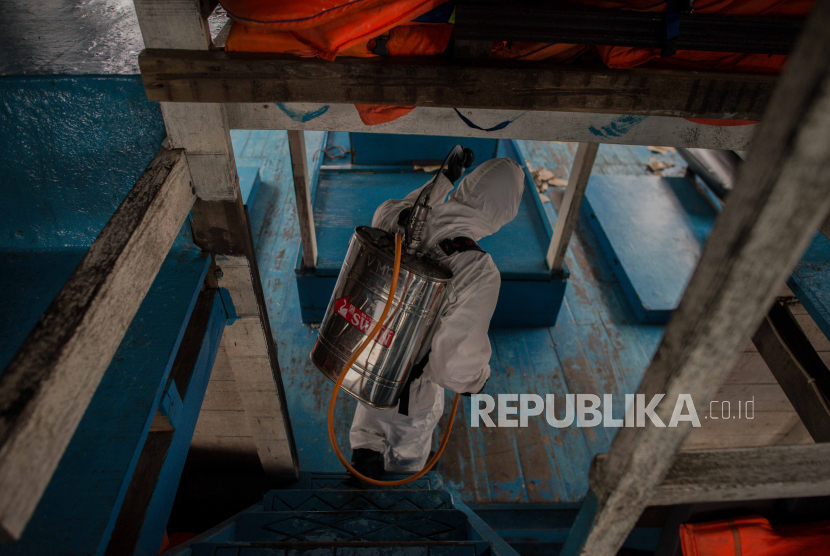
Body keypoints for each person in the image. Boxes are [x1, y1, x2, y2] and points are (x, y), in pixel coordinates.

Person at [348, 156, 526, 480]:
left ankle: (363, 454)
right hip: (410, 385)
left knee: (370, 406)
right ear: (503, 213)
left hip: (367, 353)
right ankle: (398, 480)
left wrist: (440, 183)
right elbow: (452, 368)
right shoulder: (476, 269)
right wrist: (477, 380)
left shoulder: (395, 215)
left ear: (469, 185)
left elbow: (408, 206)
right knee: (410, 437)